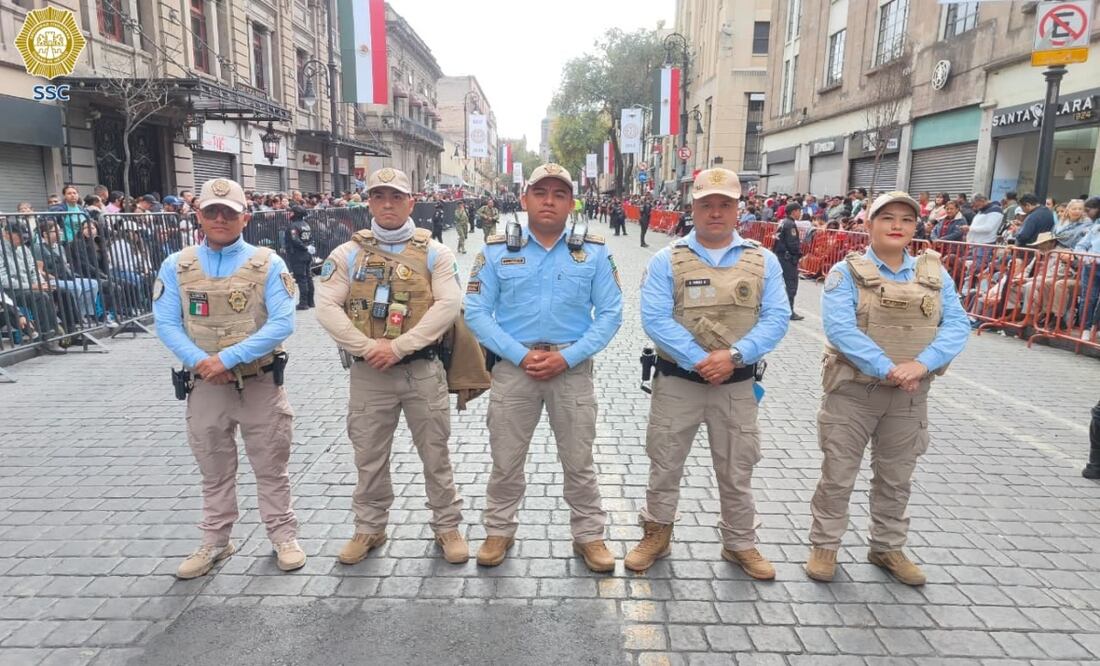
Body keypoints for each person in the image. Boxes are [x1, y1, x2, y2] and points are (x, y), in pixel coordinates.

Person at [626, 168, 790, 578]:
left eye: (724, 205)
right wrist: (700, 358)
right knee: (664, 463)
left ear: (738, 210)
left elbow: (777, 318)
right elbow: (655, 319)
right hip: (679, 382)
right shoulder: (667, 259)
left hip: (735, 386)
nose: (715, 213)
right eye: (706, 205)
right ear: (693, 208)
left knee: (737, 468)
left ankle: (740, 543)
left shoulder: (762, 259)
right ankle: (656, 534)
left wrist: (734, 356)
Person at [464, 163, 623, 572]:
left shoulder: (595, 251)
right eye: (540, 193)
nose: (549, 201)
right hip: (514, 370)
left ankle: (590, 535)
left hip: (571, 369)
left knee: (580, 460)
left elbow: (610, 313)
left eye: (558, 194)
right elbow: (476, 311)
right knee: (506, 459)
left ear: (572, 202)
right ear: (525, 199)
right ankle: (499, 530)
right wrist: (518, 354)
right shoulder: (498, 250)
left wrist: (567, 357)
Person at [807, 191, 969, 586]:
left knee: (897, 477)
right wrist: (888, 368)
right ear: (868, 223)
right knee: (838, 474)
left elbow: (958, 325)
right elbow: (841, 330)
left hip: (910, 396)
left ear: (916, 227)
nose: (897, 226)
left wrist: (920, 365)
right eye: (887, 218)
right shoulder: (845, 274)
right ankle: (825, 546)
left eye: (906, 220)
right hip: (853, 393)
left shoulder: (933, 274)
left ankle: (887, 547)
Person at [314, 167, 470, 566]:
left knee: (436, 454)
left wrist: (399, 346)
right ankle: (369, 527)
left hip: (421, 368)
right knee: (368, 455)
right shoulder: (347, 254)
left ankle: (447, 526)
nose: (387, 203)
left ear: (410, 202)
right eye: (379, 196)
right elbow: (327, 305)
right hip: (370, 373)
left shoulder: (436, 252)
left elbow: (448, 304)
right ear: (368, 202)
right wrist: (367, 347)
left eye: (396, 197)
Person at [152, 177, 304, 578]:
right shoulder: (177, 265)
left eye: (229, 213)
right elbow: (166, 323)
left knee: (271, 466)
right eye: (211, 211)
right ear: (198, 215)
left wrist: (226, 359)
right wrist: (203, 362)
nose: (220, 219)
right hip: (206, 385)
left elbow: (282, 322)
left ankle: (283, 536)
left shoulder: (268, 263)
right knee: (214, 470)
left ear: (245, 218)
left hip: (258, 382)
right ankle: (215, 542)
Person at [283, 208, 315, 310]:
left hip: (298, 254)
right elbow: (310, 238)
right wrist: (308, 248)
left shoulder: (293, 226)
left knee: (302, 279)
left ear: (296, 214)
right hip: (307, 254)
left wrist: (304, 247)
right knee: (308, 277)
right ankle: (311, 301)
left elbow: (295, 239)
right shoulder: (306, 224)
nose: (290, 214)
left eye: (291, 212)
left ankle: (303, 303)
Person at [776, 207, 804, 320]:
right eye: (799, 211)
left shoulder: (783, 222)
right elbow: (792, 244)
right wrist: (797, 254)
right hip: (788, 258)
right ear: (794, 211)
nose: (800, 213)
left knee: (781, 284)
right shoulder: (790, 224)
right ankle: (789, 311)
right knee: (791, 285)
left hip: (780, 256)